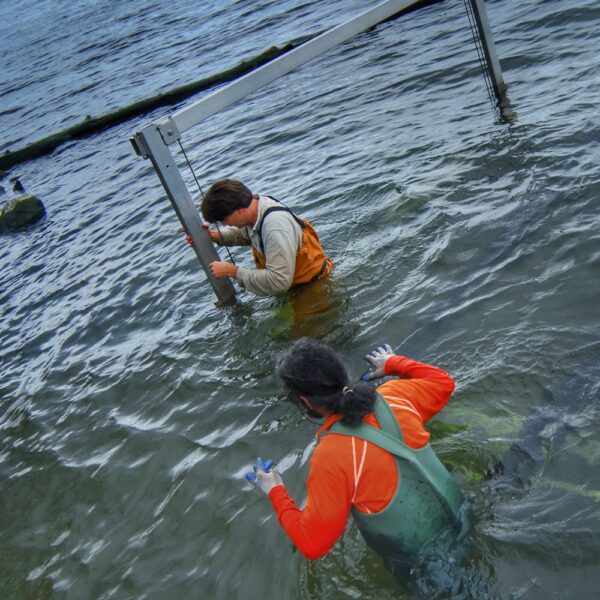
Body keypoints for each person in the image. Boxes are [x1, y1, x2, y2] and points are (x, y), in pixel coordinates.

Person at [247, 339, 464, 571]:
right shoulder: (395, 395)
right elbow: (443, 382)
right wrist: (392, 363)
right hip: (463, 518)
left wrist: (274, 490)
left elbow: (313, 545)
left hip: (422, 564)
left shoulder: (331, 456)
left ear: (305, 401)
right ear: (342, 373)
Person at [188, 179, 333, 296]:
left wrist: (232, 271)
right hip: (297, 287)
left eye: (223, 220)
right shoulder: (256, 206)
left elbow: (278, 282)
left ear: (238, 211)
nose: (224, 224)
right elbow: (247, 234)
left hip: (315, 289)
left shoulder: (275, 226)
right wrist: (216, 236)